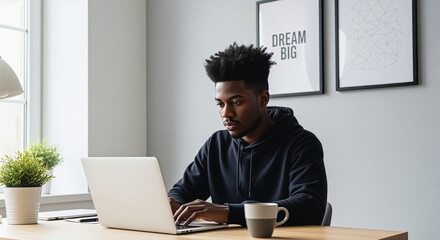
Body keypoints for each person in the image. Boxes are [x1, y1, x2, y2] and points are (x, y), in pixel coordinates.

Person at [168, 43, 327, 227]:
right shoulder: (216, 145)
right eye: (220, 104)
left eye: (236, 102)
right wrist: (173, 203)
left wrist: (229, 212)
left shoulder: (301, 144)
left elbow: (309, 206)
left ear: (263, 99)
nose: (226, 113)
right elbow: (182, 190)